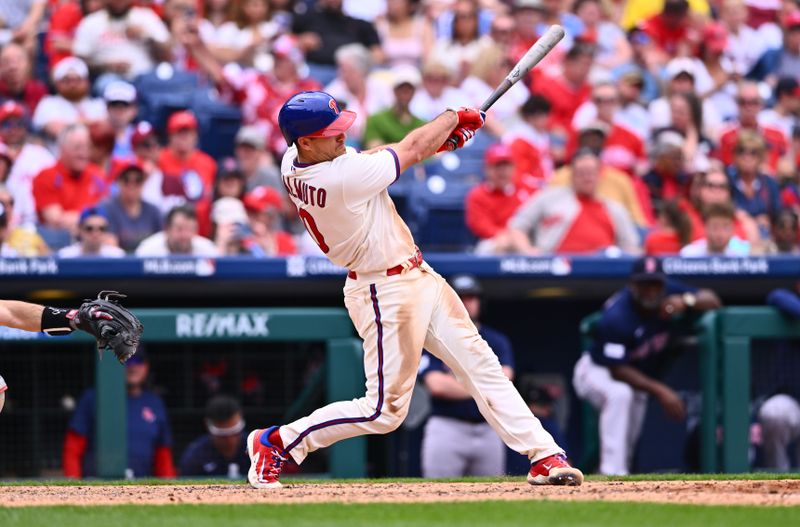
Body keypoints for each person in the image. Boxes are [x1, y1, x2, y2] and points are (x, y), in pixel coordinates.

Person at [245, 90, 583, 489]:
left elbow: (389, 153)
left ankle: (543, 454)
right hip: (381, 290)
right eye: (331, 133)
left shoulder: (298, 159)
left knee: (482, 366)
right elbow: (410, 147)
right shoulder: (337, 177)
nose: (342, 137)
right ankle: (278, 442)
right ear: (306, 140)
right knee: (382, 411)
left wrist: (442, 139)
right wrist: (453, 116)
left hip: (416, 275)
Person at [572, 256, 722, 475]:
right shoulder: (618, 315)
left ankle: (615, 478)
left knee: (628, 441)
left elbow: (713, 300)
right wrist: (661, 390)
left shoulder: (670, 291)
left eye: (655, 284)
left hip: (636, 375)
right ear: (632, 285)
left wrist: (686, 301)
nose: (651, 290)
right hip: (596, 370)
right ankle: (611, 473)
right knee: (620, 394)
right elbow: (617, 369)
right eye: (644, 284)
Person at [418, 274, 514, 478]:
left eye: (471, 297)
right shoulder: (433, 339)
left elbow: (503, 382)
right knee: (436, 495)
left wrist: (458, 384)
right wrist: (482, 385)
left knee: (493, 498)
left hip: (489, 428)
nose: (466, 303)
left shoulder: (496, 340)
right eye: (460, 298)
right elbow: (437, 385)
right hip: (447, 427)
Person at [63, 347, 176, 479]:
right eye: (127, 360)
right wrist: (74, 487)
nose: (133, 367)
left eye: (138, 360)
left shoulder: (154, 403)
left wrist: (168, 488)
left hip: (142, 487)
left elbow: (163, 454)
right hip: (97, 487)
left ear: (146, 366)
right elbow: (73, 448)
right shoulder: (93, 397)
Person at [507, 149, 641, 255]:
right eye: (582, 173)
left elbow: (631, 247)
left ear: (600, 175)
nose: (587, 178)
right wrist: (528, 252)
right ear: (572, 175)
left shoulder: (614, 208)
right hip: (555, 269)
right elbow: (517, 225)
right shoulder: (549, 197)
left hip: (602, 272)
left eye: (591, 173)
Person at [32, 124, 109, 234]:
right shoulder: (46, 176)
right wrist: (92, 219)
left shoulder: (98, 175)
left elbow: (109, 214)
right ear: (62, 149)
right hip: (58, 243)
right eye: (77, 147)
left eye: (87, 147)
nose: (83, 153)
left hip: (95, 240)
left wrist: (75, 218)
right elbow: (55, 220)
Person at [72, 0, 171, 80]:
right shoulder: (91, 22)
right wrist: (106, 66)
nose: (118, 1)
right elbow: (80, 61)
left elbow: (167, 55)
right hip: (107, 77)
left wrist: (146, 36)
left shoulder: (146, 17)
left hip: (146, 76)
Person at [759, 285, 800, 471]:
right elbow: (775, 296)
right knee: (774, 413)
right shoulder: (788, 300)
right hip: (793, 399)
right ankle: (778, 480)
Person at [465, 143, 526, 254]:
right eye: (498, 166)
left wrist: (516, 237)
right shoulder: (477, 194)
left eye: (506, 166)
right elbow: (479, 225)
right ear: (488, 169)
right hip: (492, 240)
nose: (502, 171)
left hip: (521, 239)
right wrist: (502, 236)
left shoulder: (524, 191)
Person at [31, 57, 108, 142]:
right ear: (57, 83)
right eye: (67, 80)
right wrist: (91, 123)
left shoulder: (98, 104)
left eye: (77, 80)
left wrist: (68, 124)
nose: (73, 85)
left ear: (87, 82)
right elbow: (57, 130)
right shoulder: (48, 103)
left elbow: (106, 131)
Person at [158, 111, 217, 212]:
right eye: (179, 132)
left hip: (200, 222)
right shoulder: (159, 159)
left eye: (188, 132)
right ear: (170, 136)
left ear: (196, 136)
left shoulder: (208, 163)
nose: (184, 137)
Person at [179, 395, 250, 478]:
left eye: (234, 432)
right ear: (207, 424)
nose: (229, 440)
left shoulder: (257, 448)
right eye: (222, 435)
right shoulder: (195, 455)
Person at [100, 162, 163, 253]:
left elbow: (161, 241)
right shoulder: (106, 208)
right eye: (126, 180)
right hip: (118, 263)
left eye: (138, 180)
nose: (132, 185)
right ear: (118, 182)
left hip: (147, 261)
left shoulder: (153, 211)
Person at [363, 66, 426, 149]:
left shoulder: (421, 124)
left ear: (414, 92)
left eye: (409, 89)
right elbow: (374, 148)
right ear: (394, 90)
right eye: (401, 88)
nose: (405, 92)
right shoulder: (376, 120)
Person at [135, 204, 218, 257]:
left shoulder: (208, 250)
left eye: (190, 229)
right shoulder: (148, 251)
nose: (184, 235)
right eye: (179, 229)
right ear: (167, 229)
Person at [680, 202, 751, 256]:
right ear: (705, 228)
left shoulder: (742, 254)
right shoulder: (689, 254)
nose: (720, 233)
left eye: (725, 227)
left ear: (733, 229)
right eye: (715, 227)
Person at [0, 42, 48, 116]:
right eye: (6, 61)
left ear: (28, 65)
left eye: (18, 60)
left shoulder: (39, 91)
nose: (13, 67)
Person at [57, 207, 125, 258]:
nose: (95, 234)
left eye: (101, 229)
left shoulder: (117, 256)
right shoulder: (65, 256)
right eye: (89, 229)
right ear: (80, 229)